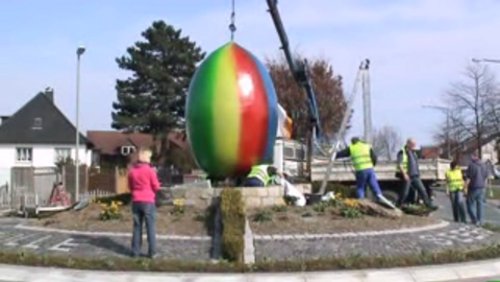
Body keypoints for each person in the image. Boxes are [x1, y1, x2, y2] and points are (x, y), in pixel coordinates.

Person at [337, 137, 394, 207]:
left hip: (360, 170)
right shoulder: (366, 146)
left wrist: (334, 155)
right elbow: (374, 158)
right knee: (374, 184)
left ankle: (361, 202)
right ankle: (380, 197)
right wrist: (372, 165)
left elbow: (341, 154)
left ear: (352, 142)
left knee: (360, 187)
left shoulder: (352, 148)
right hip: (370, 169)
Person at [128, 147, 161, 258]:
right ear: (147, 158)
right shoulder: (150, 171)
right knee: (150, 227)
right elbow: (156, 186)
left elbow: (130, 186)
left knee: (137, 227)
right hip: (148, 201)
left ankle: (135, 252)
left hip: (136, 201)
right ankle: (152, 252)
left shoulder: (132, 171)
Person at [396, 138, 437, 209]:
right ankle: (399, 205)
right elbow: (400, 164)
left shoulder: (414, 152)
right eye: (413, 144)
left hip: (415, 175)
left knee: (422, 190)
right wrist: (404, 174)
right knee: (405, 192)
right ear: (408, 144)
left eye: (414, 144)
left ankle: (429, 205)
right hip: (407, 175)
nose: (414, 146)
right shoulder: (402, 152)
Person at [465, 151, 489, 226]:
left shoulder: (471, 165)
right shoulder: (484, 165)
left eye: (471, 156)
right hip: (482, 187)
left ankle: (474, 219)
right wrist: (485, 187)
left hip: (473, 187)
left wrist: (465, 188)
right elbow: (486, 178)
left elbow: (468, 178)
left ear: (474, 156)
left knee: (469, 204)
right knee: (480, 204)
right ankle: (480, 220)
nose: (470, 158)